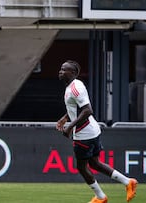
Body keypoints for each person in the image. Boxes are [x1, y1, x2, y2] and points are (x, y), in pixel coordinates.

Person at [56, 60, 138, 203]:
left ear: (73, 73)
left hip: (84, 134)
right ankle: (128, 182)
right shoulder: (74, 86)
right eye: (61, 69)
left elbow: (88, 110)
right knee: (94, 164)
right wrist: (65, 118)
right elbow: (78, 108)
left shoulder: (75, 88)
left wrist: (69, 127)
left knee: (81, 167)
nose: (60, 72)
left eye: (64, 70)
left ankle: (101, 197)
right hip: (92, 131)